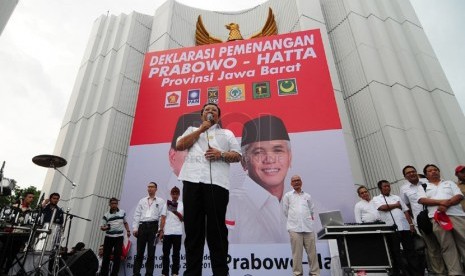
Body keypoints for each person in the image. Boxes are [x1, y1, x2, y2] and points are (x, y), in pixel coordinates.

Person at [176, 102, 241, 276]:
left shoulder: (226, 133)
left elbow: (238, 155)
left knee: (216, 231)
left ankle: (220, 273)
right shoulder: (191, 130)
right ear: (202, 115)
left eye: (214, 110)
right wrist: (201, 130)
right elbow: (180, 145)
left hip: (217, 185)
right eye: (207, 110)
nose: (210, 111)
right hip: (191, 182)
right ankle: (192, 273)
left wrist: (221, 154)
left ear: (218, 116)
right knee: (193, 231)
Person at [226, 115, 291, 243]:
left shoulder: (311, 207)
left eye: (278, 150)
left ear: (290, 158)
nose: (270, 159)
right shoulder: (229, 205)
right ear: (244, 162)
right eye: (259, 152)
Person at [418, 164, 465, 275]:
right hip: (437, 218)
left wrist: (446, 205)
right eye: (430, 171)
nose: (433, 172)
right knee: (447, 246)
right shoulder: (423, 186)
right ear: (426, 175)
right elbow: (422, 200)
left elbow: (459, 196)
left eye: (435, 170)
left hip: (457, 216)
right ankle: (455, 273)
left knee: (463, 241)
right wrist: (441, 203)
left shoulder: (449, 183)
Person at [399, 165, 444, 275]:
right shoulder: (403, 189)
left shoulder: (426, 181)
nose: (411, 174)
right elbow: (406, 206)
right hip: (422, 221)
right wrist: (413, 222)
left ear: (416, 172)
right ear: (405, 177)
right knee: (431, 247)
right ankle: (439, 272)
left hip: (437, 216)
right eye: (408, 173)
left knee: (445, 244)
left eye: (413, 171)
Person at [372, 180, 423, 276]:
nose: (387, 188)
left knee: (410, 251)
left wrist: (411, 224)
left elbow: (406, 211)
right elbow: (382, 207)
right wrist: (396, 205)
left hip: (405, 227)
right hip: (391, 229)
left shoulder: (397, 197)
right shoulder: (376, 198)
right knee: (395, 252)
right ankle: (401, 273)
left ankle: (416, 273)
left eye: (388, 186)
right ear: (380, 188)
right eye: (385, 186)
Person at [282, 175, 320, 276]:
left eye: (298, 180)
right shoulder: (287, 196)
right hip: (294, 229)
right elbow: (285, 211)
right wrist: (295, 220)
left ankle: (315, 273)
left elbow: (311, 211)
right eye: (294, 181)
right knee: (297, 254)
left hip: (308, 228)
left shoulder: (307, 196)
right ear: (291, 183)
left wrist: (306, 220)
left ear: (301, 182)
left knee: (312, 254)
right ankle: (297, 274)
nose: (296, 182)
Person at [132, 182, 165, 276]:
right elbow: (137, 214)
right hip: (142, 227)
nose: (150, 188)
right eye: (148, 187)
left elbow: (161, 216)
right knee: (139, 253)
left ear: (156, 189)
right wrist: (135, 228)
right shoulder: (142, 201)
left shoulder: (160, 201)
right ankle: (136, 273)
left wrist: (160, 229)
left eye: (152, 187)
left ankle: (149, 273)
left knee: (151, 253)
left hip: (154, 228)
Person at [0, 191, 35, 274]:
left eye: (33, 198)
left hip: (19, 236)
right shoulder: (14, 207)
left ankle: (6, 272)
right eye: (30, 197)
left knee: (12, 257)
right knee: (2, 254)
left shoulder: (30, 211)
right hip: (9, 234)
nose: (31, 199)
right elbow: (6, 219)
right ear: (25, 197)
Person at [100, 197, 130, 276]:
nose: (114, 205)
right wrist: (106, 227)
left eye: (115, 203)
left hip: (119, 237)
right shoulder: (106, 215)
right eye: (112, 203)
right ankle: (103, 274)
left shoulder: (122, 212)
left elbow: (125, 223)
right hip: (109, 237)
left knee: (117, 257)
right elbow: (102, 227)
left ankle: (114, 274)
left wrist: (128, 231)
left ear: (117, 204)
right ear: (109, 204)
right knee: (106, 256)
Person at [160, 186, 183, 276]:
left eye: (176, 193)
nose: (174, 195)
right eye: (173, 193)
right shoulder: (166, 204)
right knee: (166, 253)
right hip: (167, 231)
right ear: (171, 194)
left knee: (176, 254)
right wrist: (161, 230)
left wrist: (175, 212)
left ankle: (175, 273)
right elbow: (163, 218)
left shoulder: (182, 204)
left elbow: (183, 219)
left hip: (177, 232)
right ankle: (164, 273)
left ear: (179, 195)